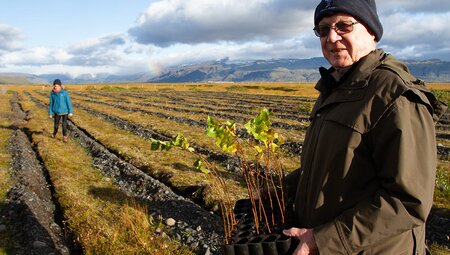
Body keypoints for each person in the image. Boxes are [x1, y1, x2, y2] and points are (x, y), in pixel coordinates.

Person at [282, 0, 447, 254]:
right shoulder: (334, 87)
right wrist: (283, 188)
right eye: (323, 29)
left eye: (343, 26)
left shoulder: (394, 96)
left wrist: (325, 240)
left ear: (370, 30)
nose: (332, 37)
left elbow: (407, 201)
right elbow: (331, 166)